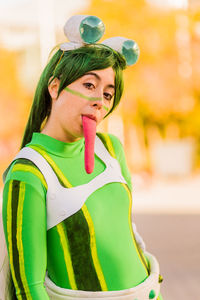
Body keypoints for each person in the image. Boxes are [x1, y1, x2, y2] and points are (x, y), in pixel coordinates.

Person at [1, 15, 163, 300]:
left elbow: (124, 233)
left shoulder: (112, 149)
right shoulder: (29, 172)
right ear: (54, 87)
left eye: (108, 93)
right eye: (89, 85)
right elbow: (30, 288)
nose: (100, 101)